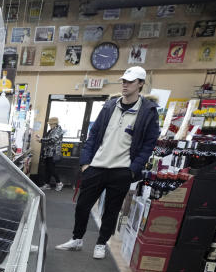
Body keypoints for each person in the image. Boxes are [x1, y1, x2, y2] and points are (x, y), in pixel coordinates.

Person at [56, 66, 160, 260]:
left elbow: (149, 144)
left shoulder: (148, 111)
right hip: (96, 166)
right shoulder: (109, 106)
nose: (125, 84)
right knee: (82, 205)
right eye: (123, 81)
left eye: (130, 81)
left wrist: (132, 169)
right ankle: (77, 239)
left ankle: (101, 243)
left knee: (111, 210)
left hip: (122, 170)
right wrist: (86, 163)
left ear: (140, 84)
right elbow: (93, 134)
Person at [38, 117, 64, 191]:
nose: (49, 125)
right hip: (48, 152)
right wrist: (41, 139)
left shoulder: (58, 130)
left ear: (54, 123)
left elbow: (52, 140)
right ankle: (47, 184)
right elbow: (48, 139)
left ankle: (59, 183)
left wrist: (41, 140)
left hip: (54, 152)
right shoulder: (52, 130)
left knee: (52, 169)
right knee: (47, 169)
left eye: (50, 124)